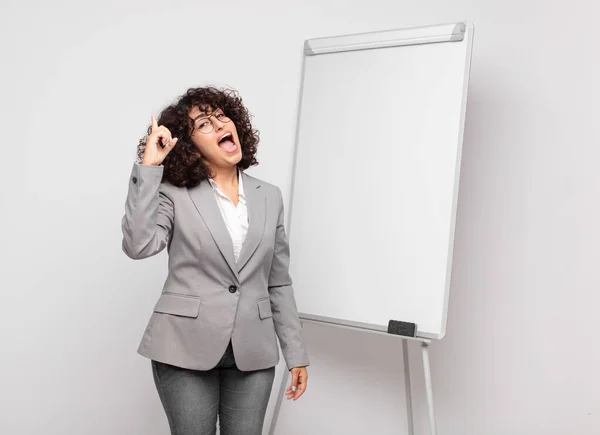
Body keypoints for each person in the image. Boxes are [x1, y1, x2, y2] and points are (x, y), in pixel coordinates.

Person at [120, 86, 309, 435]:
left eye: (222, 116)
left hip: (253, 350)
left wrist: (295, 352)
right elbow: (139, 245)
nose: (220, 123)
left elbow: (278, 280)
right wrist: (149, 167)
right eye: (204, 123)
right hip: (183, 346)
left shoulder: (269, 196)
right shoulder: (172, 193)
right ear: (189, 145)